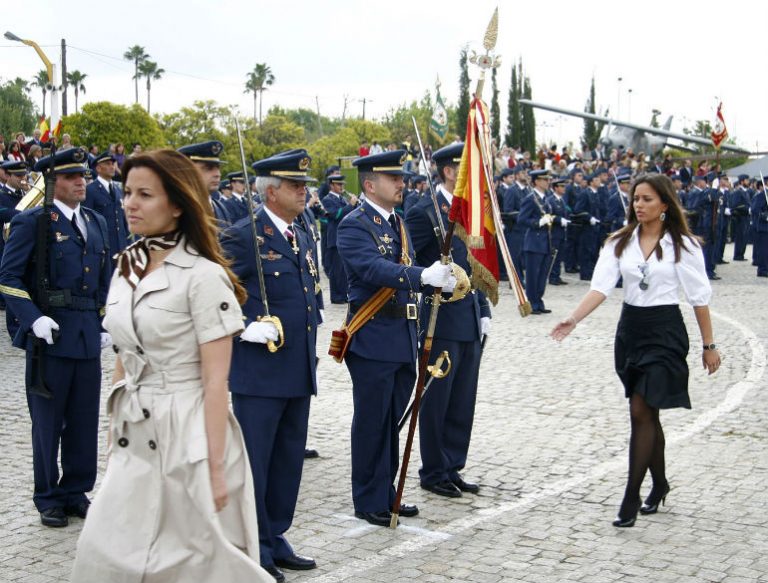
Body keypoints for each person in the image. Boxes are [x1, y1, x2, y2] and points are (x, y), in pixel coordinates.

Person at [70, 149, 273, 582]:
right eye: (127, 193)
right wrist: (111, 436)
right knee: (103, 553)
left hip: (188, 434)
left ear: (178, 205)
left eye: (145, 194)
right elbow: (124, 356)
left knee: (194, 562)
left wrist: (217, 471)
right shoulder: (126, 265)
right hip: (133, 431)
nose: (130, 203)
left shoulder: (203, 277)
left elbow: (217, 382)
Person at [551, 173, 720, 528]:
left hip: (665, 332)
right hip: (631, 331)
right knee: (647, 413)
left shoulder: (684, 245)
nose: (638, 205)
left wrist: (709, 345)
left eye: (646, 199)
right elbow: (600, 288)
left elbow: (699, 298)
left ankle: (631, 494)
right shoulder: (619, 242)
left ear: (664, 204)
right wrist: (573, 319)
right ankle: (659, 484)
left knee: (641, 410)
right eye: (635, 199)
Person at [335, 149, 455, 527]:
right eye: (393, 179)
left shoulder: (398, 224)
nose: (402, 183)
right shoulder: (354, 225)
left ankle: (386, 492)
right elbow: (372, 268)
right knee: (372, 421)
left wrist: (438, 282)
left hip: (402, 336)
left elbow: (408, 271)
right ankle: (368, 497)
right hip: (372, 338)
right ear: (370, 184)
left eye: (402, 178)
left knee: (391, 421)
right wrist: (422, 277)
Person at [221, 149, 321, 582]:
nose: (304, 191)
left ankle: (276, 534)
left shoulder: (304, 230)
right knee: (256, 463)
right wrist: (244, 327)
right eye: (296, 185)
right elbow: (216, 294)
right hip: (260, 371)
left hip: (298, 366)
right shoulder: (244, 235)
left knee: (287, 461)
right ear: (271, 190)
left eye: (304, 185)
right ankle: (252, 544)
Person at [0, 148, 111, 528]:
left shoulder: (95, 221)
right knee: (48, 422)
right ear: (52, 182)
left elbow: (102, 279)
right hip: (50, 335)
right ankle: (47, 495)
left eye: (82, 175)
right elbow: (9, 277)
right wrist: (32, 320)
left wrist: (104, 319)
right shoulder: (33, 222)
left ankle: (75, 490)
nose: (81, 181)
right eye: (71, 177)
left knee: (83, 419)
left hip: (84, 335)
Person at [405, 142, 491, 499]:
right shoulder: (424, 212)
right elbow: (410, 263)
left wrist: (483, 310)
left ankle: (453, 465)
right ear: (450, 172)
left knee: (462, 398)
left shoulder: (469, 212)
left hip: (468, 316)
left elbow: (477, 262)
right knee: (437, 397)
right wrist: (431, 274)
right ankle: (434, 470)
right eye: (467, 169)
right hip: (440, 318)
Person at [84, 150, 130, 265]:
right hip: (103, 249)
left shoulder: (118, 190)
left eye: (113, 164)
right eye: (108, 164)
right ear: (98, 168)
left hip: (121, 247)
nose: (112, 167)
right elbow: (88, 221)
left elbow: (123, 220)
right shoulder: (91, 190)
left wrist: (127, 243)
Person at [322, 173, 358, 303]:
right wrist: (350, 205)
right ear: (331, 185)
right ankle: (336, 296)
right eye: (338, 184)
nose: (341, 186)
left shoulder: (342, 199)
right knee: (336, 270)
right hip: (334, 238)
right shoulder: (327, 199)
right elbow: (336, 215)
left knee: (343, 269)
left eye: (342, 184)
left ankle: (344, 294)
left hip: (343, 238)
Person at [177, 140, 232, 226]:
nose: (218, 174)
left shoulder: (220, 208)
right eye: (208, 168)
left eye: (218, 168)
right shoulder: (178, 210)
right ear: (187, 171)